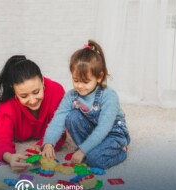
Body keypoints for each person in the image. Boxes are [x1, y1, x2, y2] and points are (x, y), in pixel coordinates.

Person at [41, 40, 130, 169]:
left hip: (112, 133)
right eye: (75, 80)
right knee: (71, 117)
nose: (80, 86)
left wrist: (82, 151)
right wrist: (48, 143)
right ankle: (89, 149)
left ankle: (121, 151)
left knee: (94, 161)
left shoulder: (109, 96)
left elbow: (103, 129)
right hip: (92, 131)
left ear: (99, 77)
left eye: (86, 81)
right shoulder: (72, 95)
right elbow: (58, 119)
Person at [0, 55, 66, 172]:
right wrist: (9, 157)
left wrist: (45, 144)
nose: (32, 101)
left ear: (42, 81)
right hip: (11, 114)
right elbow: (0, 139)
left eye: (36, 92)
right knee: (1, 113)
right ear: (14, 90)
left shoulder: (56, 91)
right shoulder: (7, 105)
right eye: (24, 96)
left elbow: (60, 130)